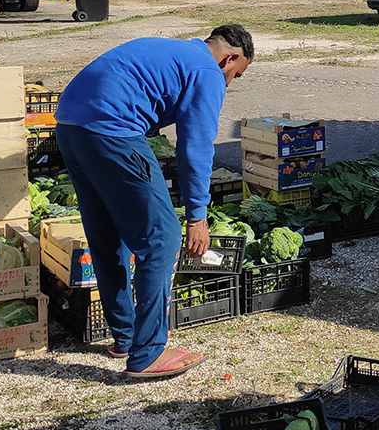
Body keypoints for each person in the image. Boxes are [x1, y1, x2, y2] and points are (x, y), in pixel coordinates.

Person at [55, 25, 253, 377]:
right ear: (230, 58)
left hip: (71, 126)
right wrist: (197, 216)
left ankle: (126, 337)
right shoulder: (207, 71)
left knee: (107, 237)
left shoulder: (174, 50)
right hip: (113, 131)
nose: (230, 84)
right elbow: (195, 148)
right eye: (235, 75)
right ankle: (147, 354)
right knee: (161, 240)